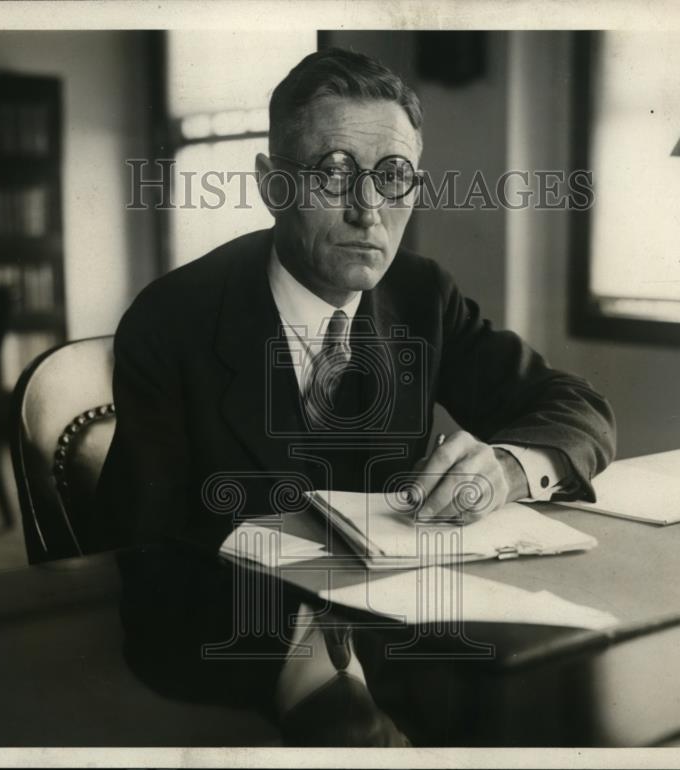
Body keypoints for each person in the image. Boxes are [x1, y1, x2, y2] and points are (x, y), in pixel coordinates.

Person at [93, 46, 616, 746]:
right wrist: (312, 659)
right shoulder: (171, 322)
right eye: (334, 172)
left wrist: (512, 466)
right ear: (273, 184)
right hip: (248, 635)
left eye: (394, 175)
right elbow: (153, 556)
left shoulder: (422, 297)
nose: (369, 209)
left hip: (409, 623)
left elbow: (577, 408)